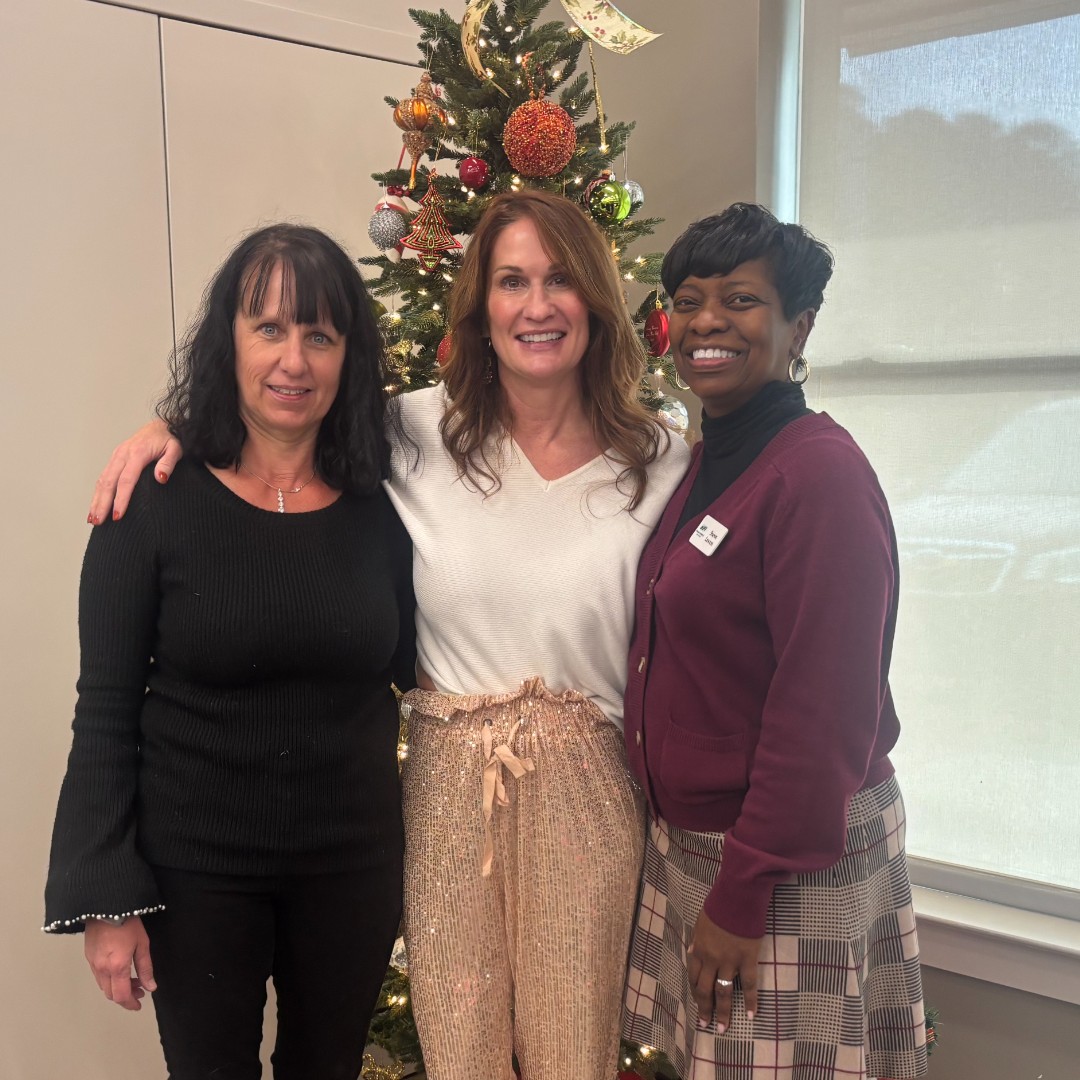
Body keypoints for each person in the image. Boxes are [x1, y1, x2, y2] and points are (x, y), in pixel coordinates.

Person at [83, 190, 690, 1080]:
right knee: (458, 1054)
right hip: (438, 796)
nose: (536, 304)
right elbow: (277, 410)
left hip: (572, 804)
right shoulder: (416, 435)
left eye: (560, 280)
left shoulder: (664, 459)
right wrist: (165, 428)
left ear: (597, 299)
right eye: (512, 280)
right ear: (480, 309)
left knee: (572, 1055)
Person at [46, 224, 416, 1080]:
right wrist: (104, 895)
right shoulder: (152, 500)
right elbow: (102, 709)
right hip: (197, 872)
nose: (295, 360)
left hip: (352, 866)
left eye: (320, 335)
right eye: (270, 329)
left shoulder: (388, 502)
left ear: (347, 355)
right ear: (230, 340)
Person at [620, 203, 927, 1080]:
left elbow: (822, 712)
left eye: (741, 300)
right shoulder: (703, 461)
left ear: (800, 326)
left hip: (788, 862)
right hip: (704, 848)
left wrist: (745, 892)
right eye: (688, 299)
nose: (706, 321)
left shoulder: (817, 475)